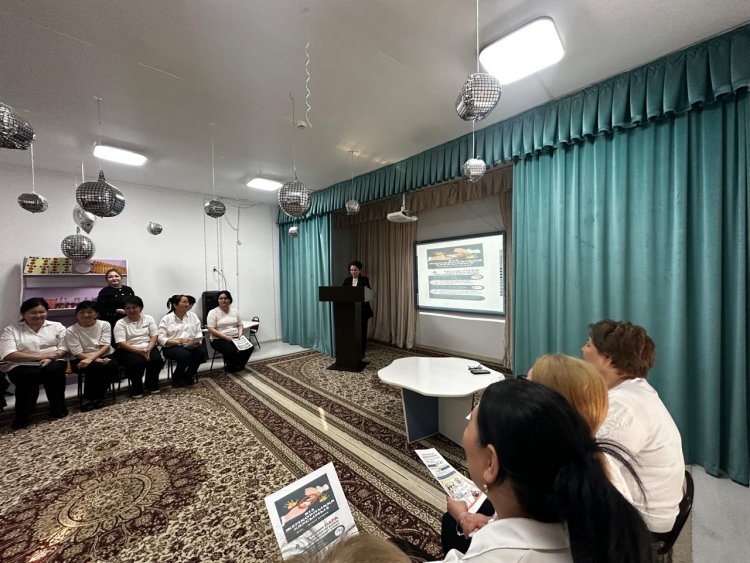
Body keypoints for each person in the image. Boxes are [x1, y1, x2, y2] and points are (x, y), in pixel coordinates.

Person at [441, 378, 653, 562]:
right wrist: (485, 521)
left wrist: (463, 515)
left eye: (470, 423)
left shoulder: (498, 557)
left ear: (491, 463)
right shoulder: (594, 514)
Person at [583, 319, 685, 534]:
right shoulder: (634, 391)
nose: (583, 349)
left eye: (589, 344)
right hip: (652, 504)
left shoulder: (625, 407)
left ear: (608, 359)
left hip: (643, 522)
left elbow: (594, 472)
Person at [0, 297, 68, 429]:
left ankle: (58, 408)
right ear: (23, 314)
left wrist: (51, 357)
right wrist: (42, 356)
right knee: (28, 375)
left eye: (42, 312)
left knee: (54, 370)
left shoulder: (57, 326)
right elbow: (8, 354)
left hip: (52, 360)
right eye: (33, 312)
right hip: (22, 365)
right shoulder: (11, 330)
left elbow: (64, 347)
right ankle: (23, 415)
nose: (38, 315)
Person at [65, 300, 119, 411]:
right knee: (95, 367)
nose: (86, 315)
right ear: (76, 314)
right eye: (82, 312)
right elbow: (77, 353)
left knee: (111, 365)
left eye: (90, 312)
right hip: (80, 358)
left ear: (96, 314)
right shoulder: (71, 330)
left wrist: (92, 359)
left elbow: (105, 346)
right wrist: (95, 360)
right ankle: (89, 398)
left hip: (104, 354)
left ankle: (98, 396)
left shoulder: (104, 324)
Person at [114, 295, 164, 397]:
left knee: (157, 360)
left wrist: (149, 349)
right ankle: (137, 387)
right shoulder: (121, 323)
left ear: (140, 308)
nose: (131, 310)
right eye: (128, 308)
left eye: (134, 307)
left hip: (148, 346)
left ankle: (151, 384)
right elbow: (121, 342)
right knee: (136, 362)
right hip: (129, 349)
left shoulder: (148, 318)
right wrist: (139, 351)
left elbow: (154, 335)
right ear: (124, 309)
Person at [158, 294, 204, 387]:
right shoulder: (167, 319)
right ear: (175, 305)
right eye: (184, 302)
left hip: (189, 345)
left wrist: (198, 342)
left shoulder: (193, 316)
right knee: (185, 355)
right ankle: (176, 378)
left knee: (201, 354)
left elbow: (198, 331)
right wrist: (178, 341)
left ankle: (187, 375)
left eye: (188, 302)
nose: (187, 304)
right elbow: (161, 338)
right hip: (172, 347)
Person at [206, 290, 253, 373]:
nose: (223, 300)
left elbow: (240, 325)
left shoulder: (235, 311)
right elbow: (211, 329)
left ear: (230, 300)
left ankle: (238, 365)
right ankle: (232, 367)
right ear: (218, 300)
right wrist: (226, 337)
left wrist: (240, 334)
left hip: (235, 337)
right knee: (230, 350)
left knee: (249, 347)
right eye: (221, 298)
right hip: (218, 339)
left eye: (225, 298)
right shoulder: (213, 312)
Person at [341, 260, 373, 356]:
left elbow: (369, 293)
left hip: (362, 311)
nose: (353, 272)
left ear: (359, 270)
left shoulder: (365, 280)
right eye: (351, 270)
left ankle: (361, 352)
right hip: (350, 311)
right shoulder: (347, 280)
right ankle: (351, 351)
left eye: (355, 270)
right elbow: (341, 293)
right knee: (351, 332)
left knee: (362, 333)